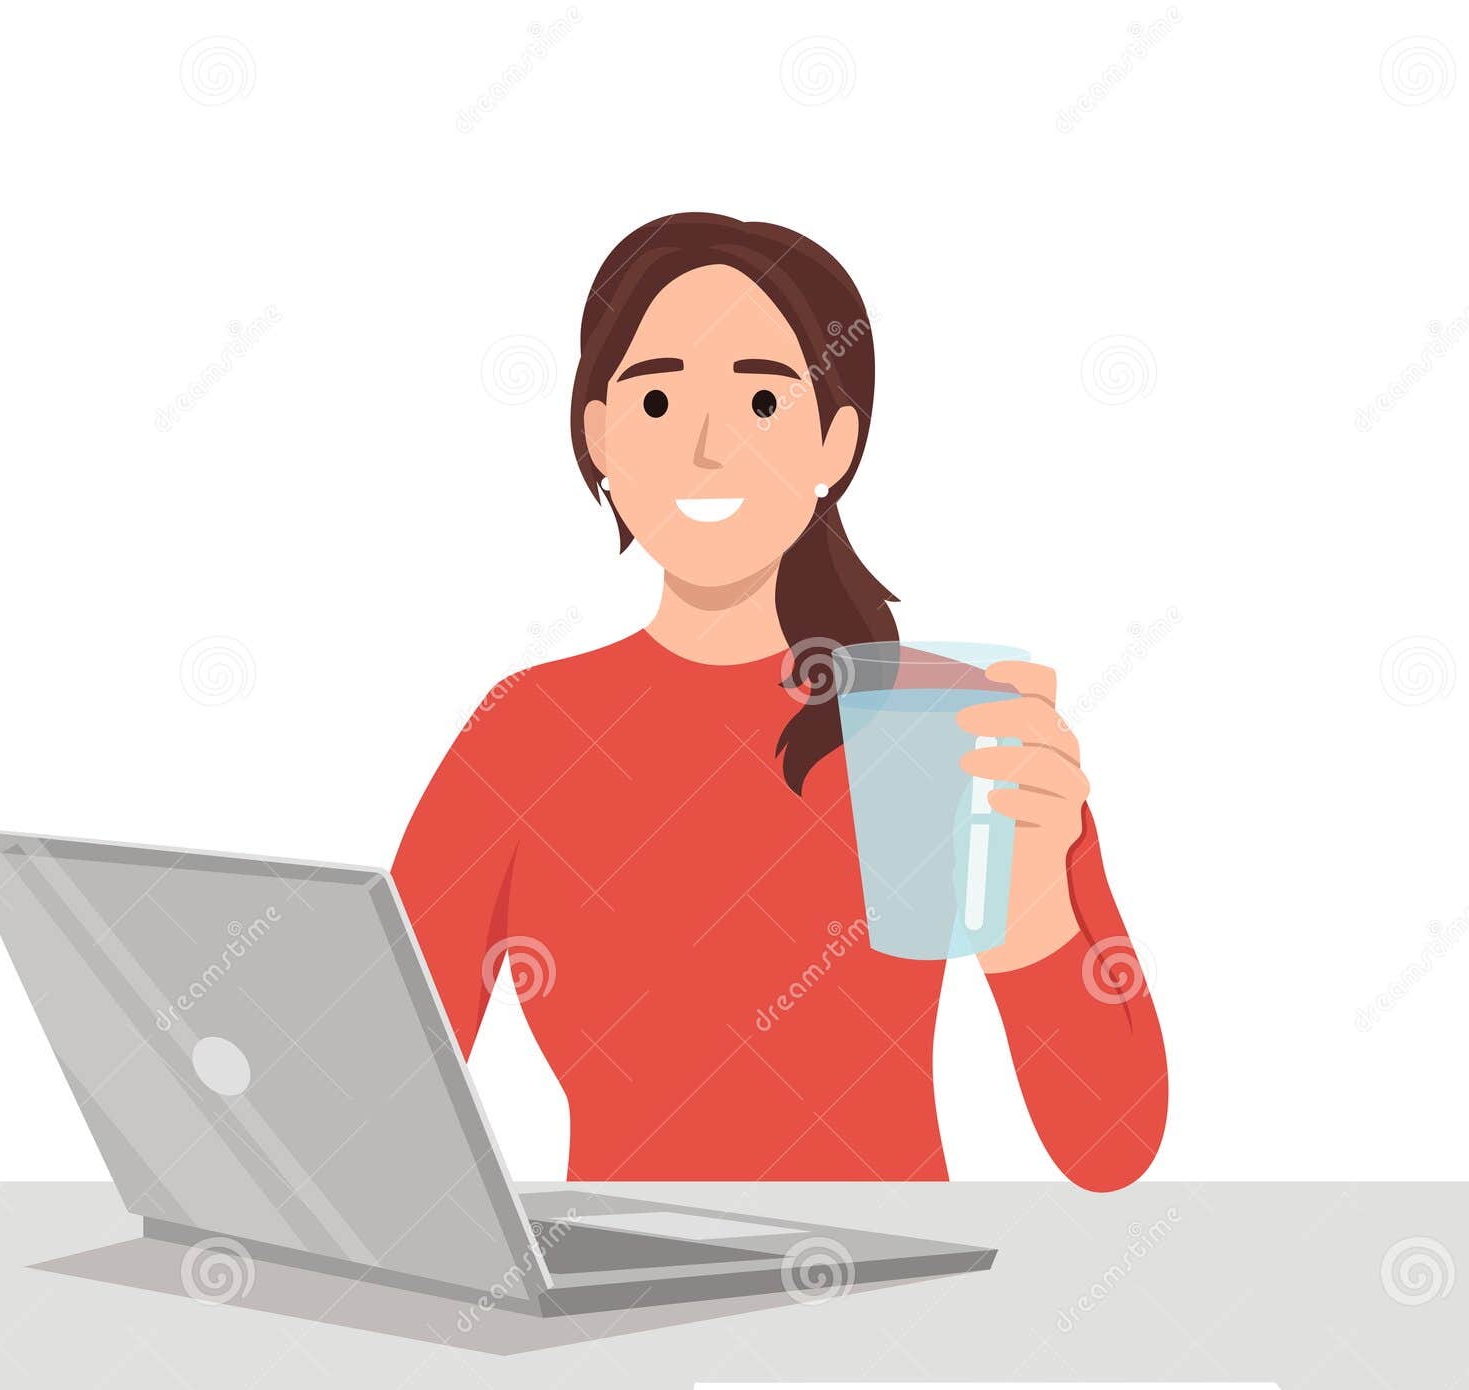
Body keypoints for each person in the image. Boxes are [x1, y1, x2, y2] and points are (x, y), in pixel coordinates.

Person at [392, 213, 1165, 1188]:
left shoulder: (951, 721)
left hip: (894, 1305)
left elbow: (1111, 1146)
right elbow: (375, 1097)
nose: (707, 449)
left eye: (760, 400)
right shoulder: (529, 732)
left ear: (833, 444)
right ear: (599, 434)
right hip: (623, 1310)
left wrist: (1034, 921)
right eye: (659, 399)